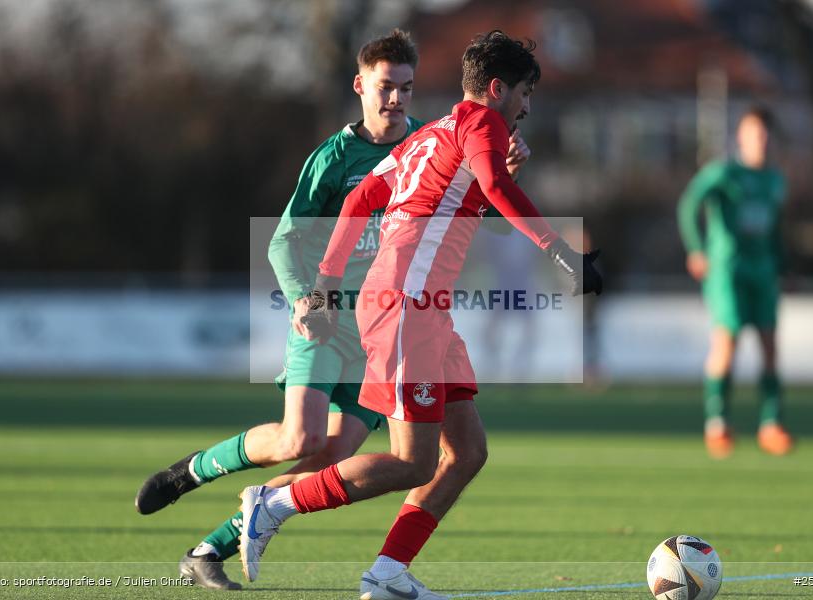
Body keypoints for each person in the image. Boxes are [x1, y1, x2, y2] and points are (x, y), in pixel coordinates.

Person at [133, 29, 531, 591]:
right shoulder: (334, 157)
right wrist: (306, 297)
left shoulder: (428, 140)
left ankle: (209, 548)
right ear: (360, 86)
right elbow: (283, 240)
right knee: (302, 440)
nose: (396, 100)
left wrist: (505, 175)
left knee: (338, 455)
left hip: (387, 325)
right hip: (325, 316)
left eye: (407, 89)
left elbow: (459, 216)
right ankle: (194, 471)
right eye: (385, 88)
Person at [238, 31, 602, 600]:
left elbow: (365, 201)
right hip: (406, 305)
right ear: (497, 89)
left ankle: (386, 575)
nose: (527, 108)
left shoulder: (433, 133)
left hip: (422, 308)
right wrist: (560, 251)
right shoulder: (481, 123)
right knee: (413, 461)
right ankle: (275, 502)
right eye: (525, 94)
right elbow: (493, 186)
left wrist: (329, 283)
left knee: (469, 453)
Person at [677, 105, 793, 459]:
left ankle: (771, 425)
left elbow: (775, 229)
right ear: (741, 138)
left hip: (763, 270)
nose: (762, 141)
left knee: (770, 346)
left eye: (766, 134)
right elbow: (688, 204)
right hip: (727, 270)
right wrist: (697, 249)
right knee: (727, 344)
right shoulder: (723, 173)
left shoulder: (776, 181)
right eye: (755, 134)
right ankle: (718, 424)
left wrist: (783, 267)